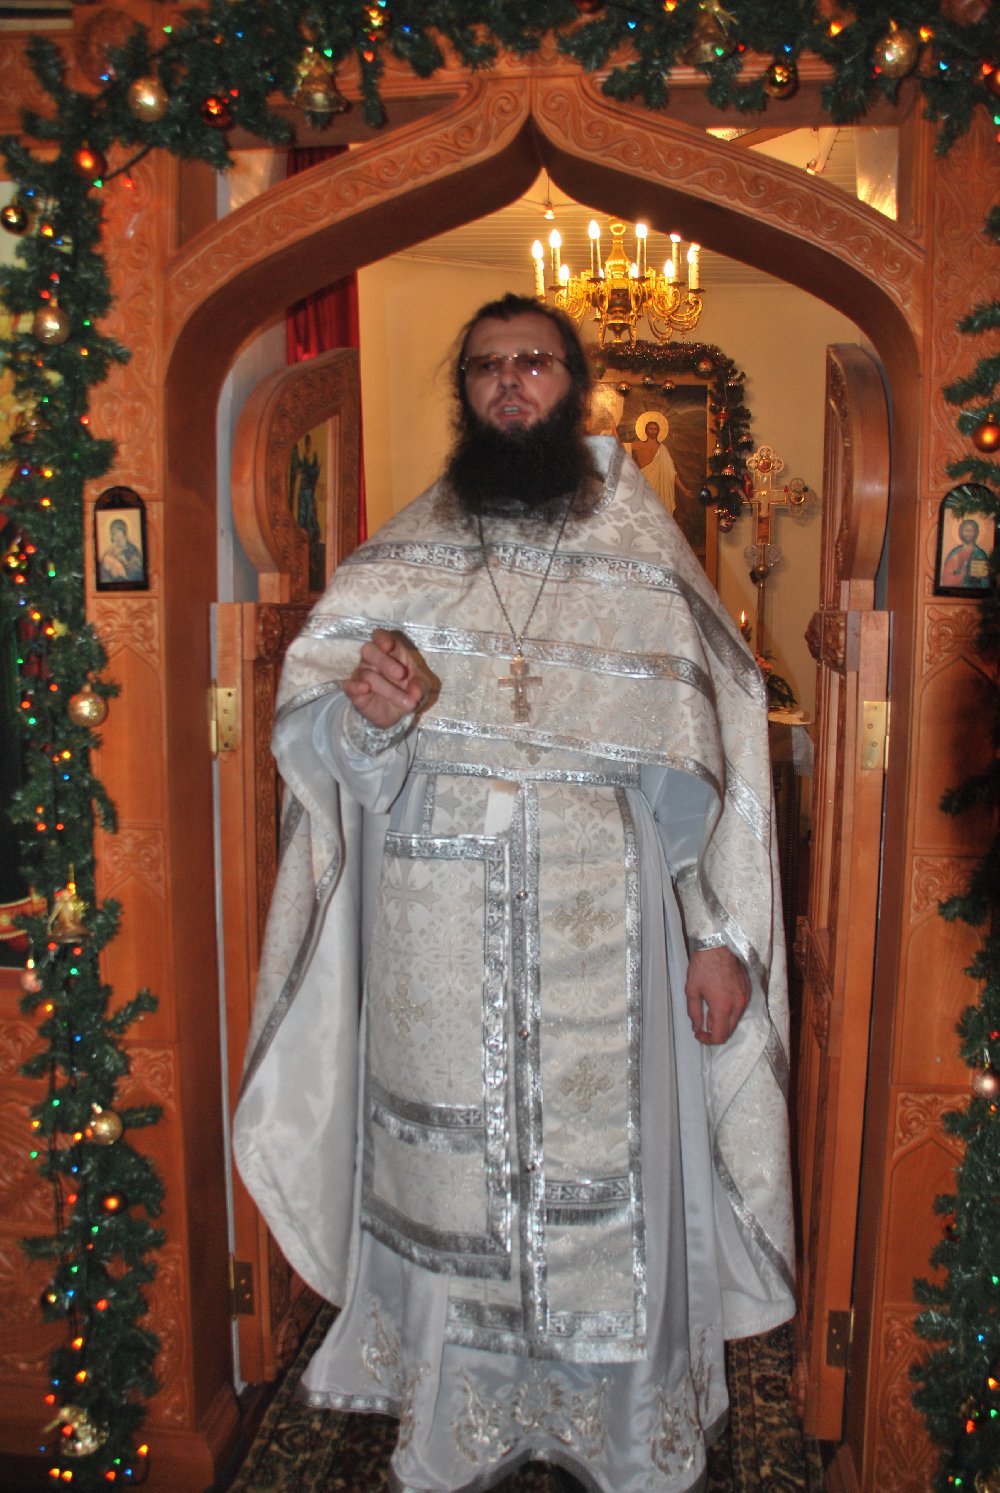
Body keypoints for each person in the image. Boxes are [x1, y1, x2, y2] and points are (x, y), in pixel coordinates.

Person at [234, 294, 794, 1493]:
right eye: (486, 366)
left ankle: (618, 1430)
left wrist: (718, 937)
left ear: (572, 385)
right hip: (434, 932)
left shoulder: (642, 557)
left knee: (614, 1179)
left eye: (532, 362)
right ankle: (460, 1425)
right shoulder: (405, 554)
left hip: (611, 920)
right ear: (465, 394)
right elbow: (322, 747)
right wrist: (368, 718)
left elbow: (713, 767)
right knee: (453, 1178)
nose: (508, 383)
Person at [626, 410, 691, 515]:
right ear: (645, 430)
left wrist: (684, 490)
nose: (652, 431)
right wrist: (613, 430)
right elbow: (621, 446)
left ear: (658, 431)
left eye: (655, 429)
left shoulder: (663, 449)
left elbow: (671, 473)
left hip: (660, 489)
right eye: (650, 429)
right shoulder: (639, 445)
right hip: (644, 484)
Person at [941, 516, 991, 589]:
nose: (968, 533)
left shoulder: (980, 554)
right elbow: (945, 578)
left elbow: (985, 581)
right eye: (966, 530)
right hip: (955, 591)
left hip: (974, 592)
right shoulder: (954, 553)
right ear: (961, 532)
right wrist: (960, 576)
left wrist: (978, 577)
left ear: (976, 533)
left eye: (971, 530)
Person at [98, 517, 143, 583]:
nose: (115, 535)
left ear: (123, 532)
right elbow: (101, 571)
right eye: (113, 533)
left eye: (117, 532)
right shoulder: (110, 550)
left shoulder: (132, 550)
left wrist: (124, 562)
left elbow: (138, 573)